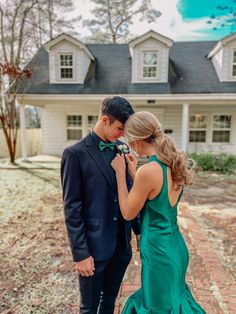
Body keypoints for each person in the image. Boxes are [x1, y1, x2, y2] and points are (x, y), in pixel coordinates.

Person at [111, 111, 206, 314]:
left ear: (135, 140)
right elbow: (156, 198)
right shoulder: (171, 164)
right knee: (170, 302)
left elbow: (128, 212)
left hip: (158, 252)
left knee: (156, 307)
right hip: (175, 247)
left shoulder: (149, 171)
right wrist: (134, 172)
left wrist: (120, 174)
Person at [61, 96, 141, 314]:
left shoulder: (122, 148)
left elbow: (132, 191)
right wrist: (80, 254)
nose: (122, 134)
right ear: (104, 120)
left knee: (109, 301)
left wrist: (139, 231)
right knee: (88, 308)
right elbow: (72, 207)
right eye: (120, 128)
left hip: (121, 246)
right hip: (93, 250)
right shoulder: (74, 154)